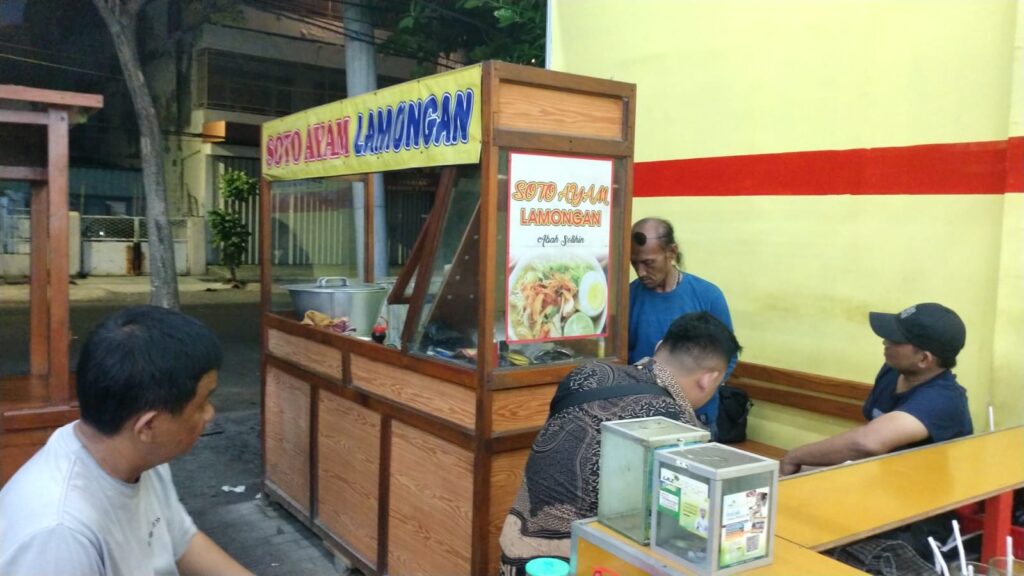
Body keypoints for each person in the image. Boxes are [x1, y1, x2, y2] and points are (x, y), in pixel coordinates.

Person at [0, 306, 252, 576]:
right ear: (148, 426)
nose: (210, 414)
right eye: (202, 403)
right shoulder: (59, 537)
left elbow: (182, 542)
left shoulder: (138, 455)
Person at [498, 312, 741, 575]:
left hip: (515, 549)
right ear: (709, 378)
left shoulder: (589, 373)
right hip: (579, 562)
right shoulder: (678, 429)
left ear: (659, 346)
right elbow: (683, 528)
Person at [781, 302, 973, 476]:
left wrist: (794, 457)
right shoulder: (893, 371)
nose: (885, 342)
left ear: (924, 359)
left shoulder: (944, 400)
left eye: (895, 340)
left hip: (922, 495)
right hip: (881, 476)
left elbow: (867, 443)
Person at [628, 217, 736, 438]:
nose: (641, 272)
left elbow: (728, 355)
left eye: (648, 263)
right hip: (642, 411)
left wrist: (698, 392)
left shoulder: (708, 296)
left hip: (698, 416)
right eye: (634, 263)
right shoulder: (628, 297)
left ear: (671, 252)